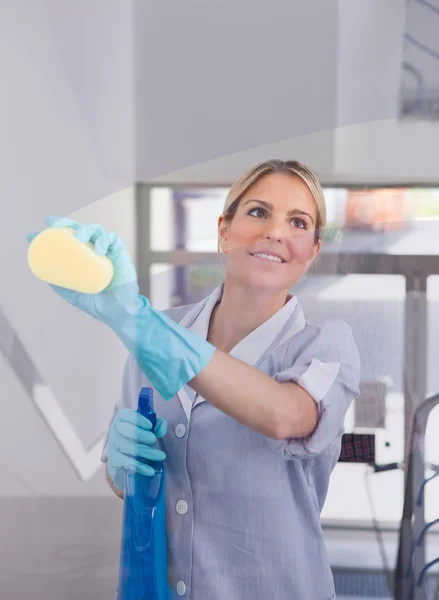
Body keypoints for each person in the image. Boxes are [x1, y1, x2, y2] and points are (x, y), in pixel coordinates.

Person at [29, 159, 360, 600]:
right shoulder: (152, 335)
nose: (276, 231)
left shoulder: (325, 348)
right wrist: (122, 467)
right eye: (259, 212)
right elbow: (123, 480)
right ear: (224, 230)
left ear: (312, 250)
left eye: (298, 222)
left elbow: (283, 415)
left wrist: (137, 321)